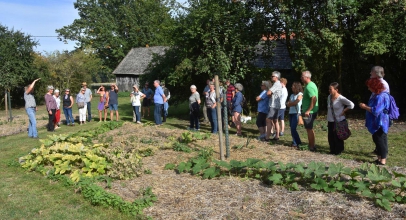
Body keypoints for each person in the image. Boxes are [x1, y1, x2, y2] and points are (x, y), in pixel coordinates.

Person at [359, 78, 390, 165]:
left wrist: (365, 107)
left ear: (375, 86)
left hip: (380, 122)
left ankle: (383, 160)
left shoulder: (381, 96)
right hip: (376, 121)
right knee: (376, 138)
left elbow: (376, 110)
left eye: (370, 87)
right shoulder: (377, 95)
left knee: (380, 139)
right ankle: (379, 158)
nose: (369, 89)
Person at [327, 82, 354, 155]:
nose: (329, 91)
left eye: (331, 89)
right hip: (330, 120)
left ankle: (339, 150)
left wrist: (344, 111)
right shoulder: (329, 97)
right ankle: (332, 150)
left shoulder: (341, 98)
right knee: (331, 136)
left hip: (339, 120)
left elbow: (351, 105)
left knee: (338, 136)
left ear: (336, 90)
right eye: (329, 89)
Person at [301, 70, 319, 152]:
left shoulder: (309, 87)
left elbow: (314, 98)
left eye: (302, 76)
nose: (301, 78)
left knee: (309, 129)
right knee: (310, 129)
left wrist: (308, 110)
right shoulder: (311, 84)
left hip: (309, 113)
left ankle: (311, 147)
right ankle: (312, 145)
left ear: (307, 77)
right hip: (311, 111)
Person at [265, 71, 283, 141]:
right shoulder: (278, 84)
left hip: (273, 105)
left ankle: (267, 137)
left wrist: (269, 95)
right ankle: (277, 136)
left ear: (276, 77)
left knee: (268, 120)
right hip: (277, 105)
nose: (271, 77)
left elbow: (268, 92)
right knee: (275, 120)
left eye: (272, 76)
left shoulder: (276, 84)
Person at [286, 82, 303, 148]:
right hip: (291, 113)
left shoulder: (300, 94)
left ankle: (296, 142)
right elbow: (288, 103)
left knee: (293, 128)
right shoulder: (292, 95)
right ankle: (296, 141)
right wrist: (290, 104)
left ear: (296, 87)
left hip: (296, 113)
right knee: (292, 128)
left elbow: (296, 102)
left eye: (293, 86)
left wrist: (290, 104)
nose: (291, 87)